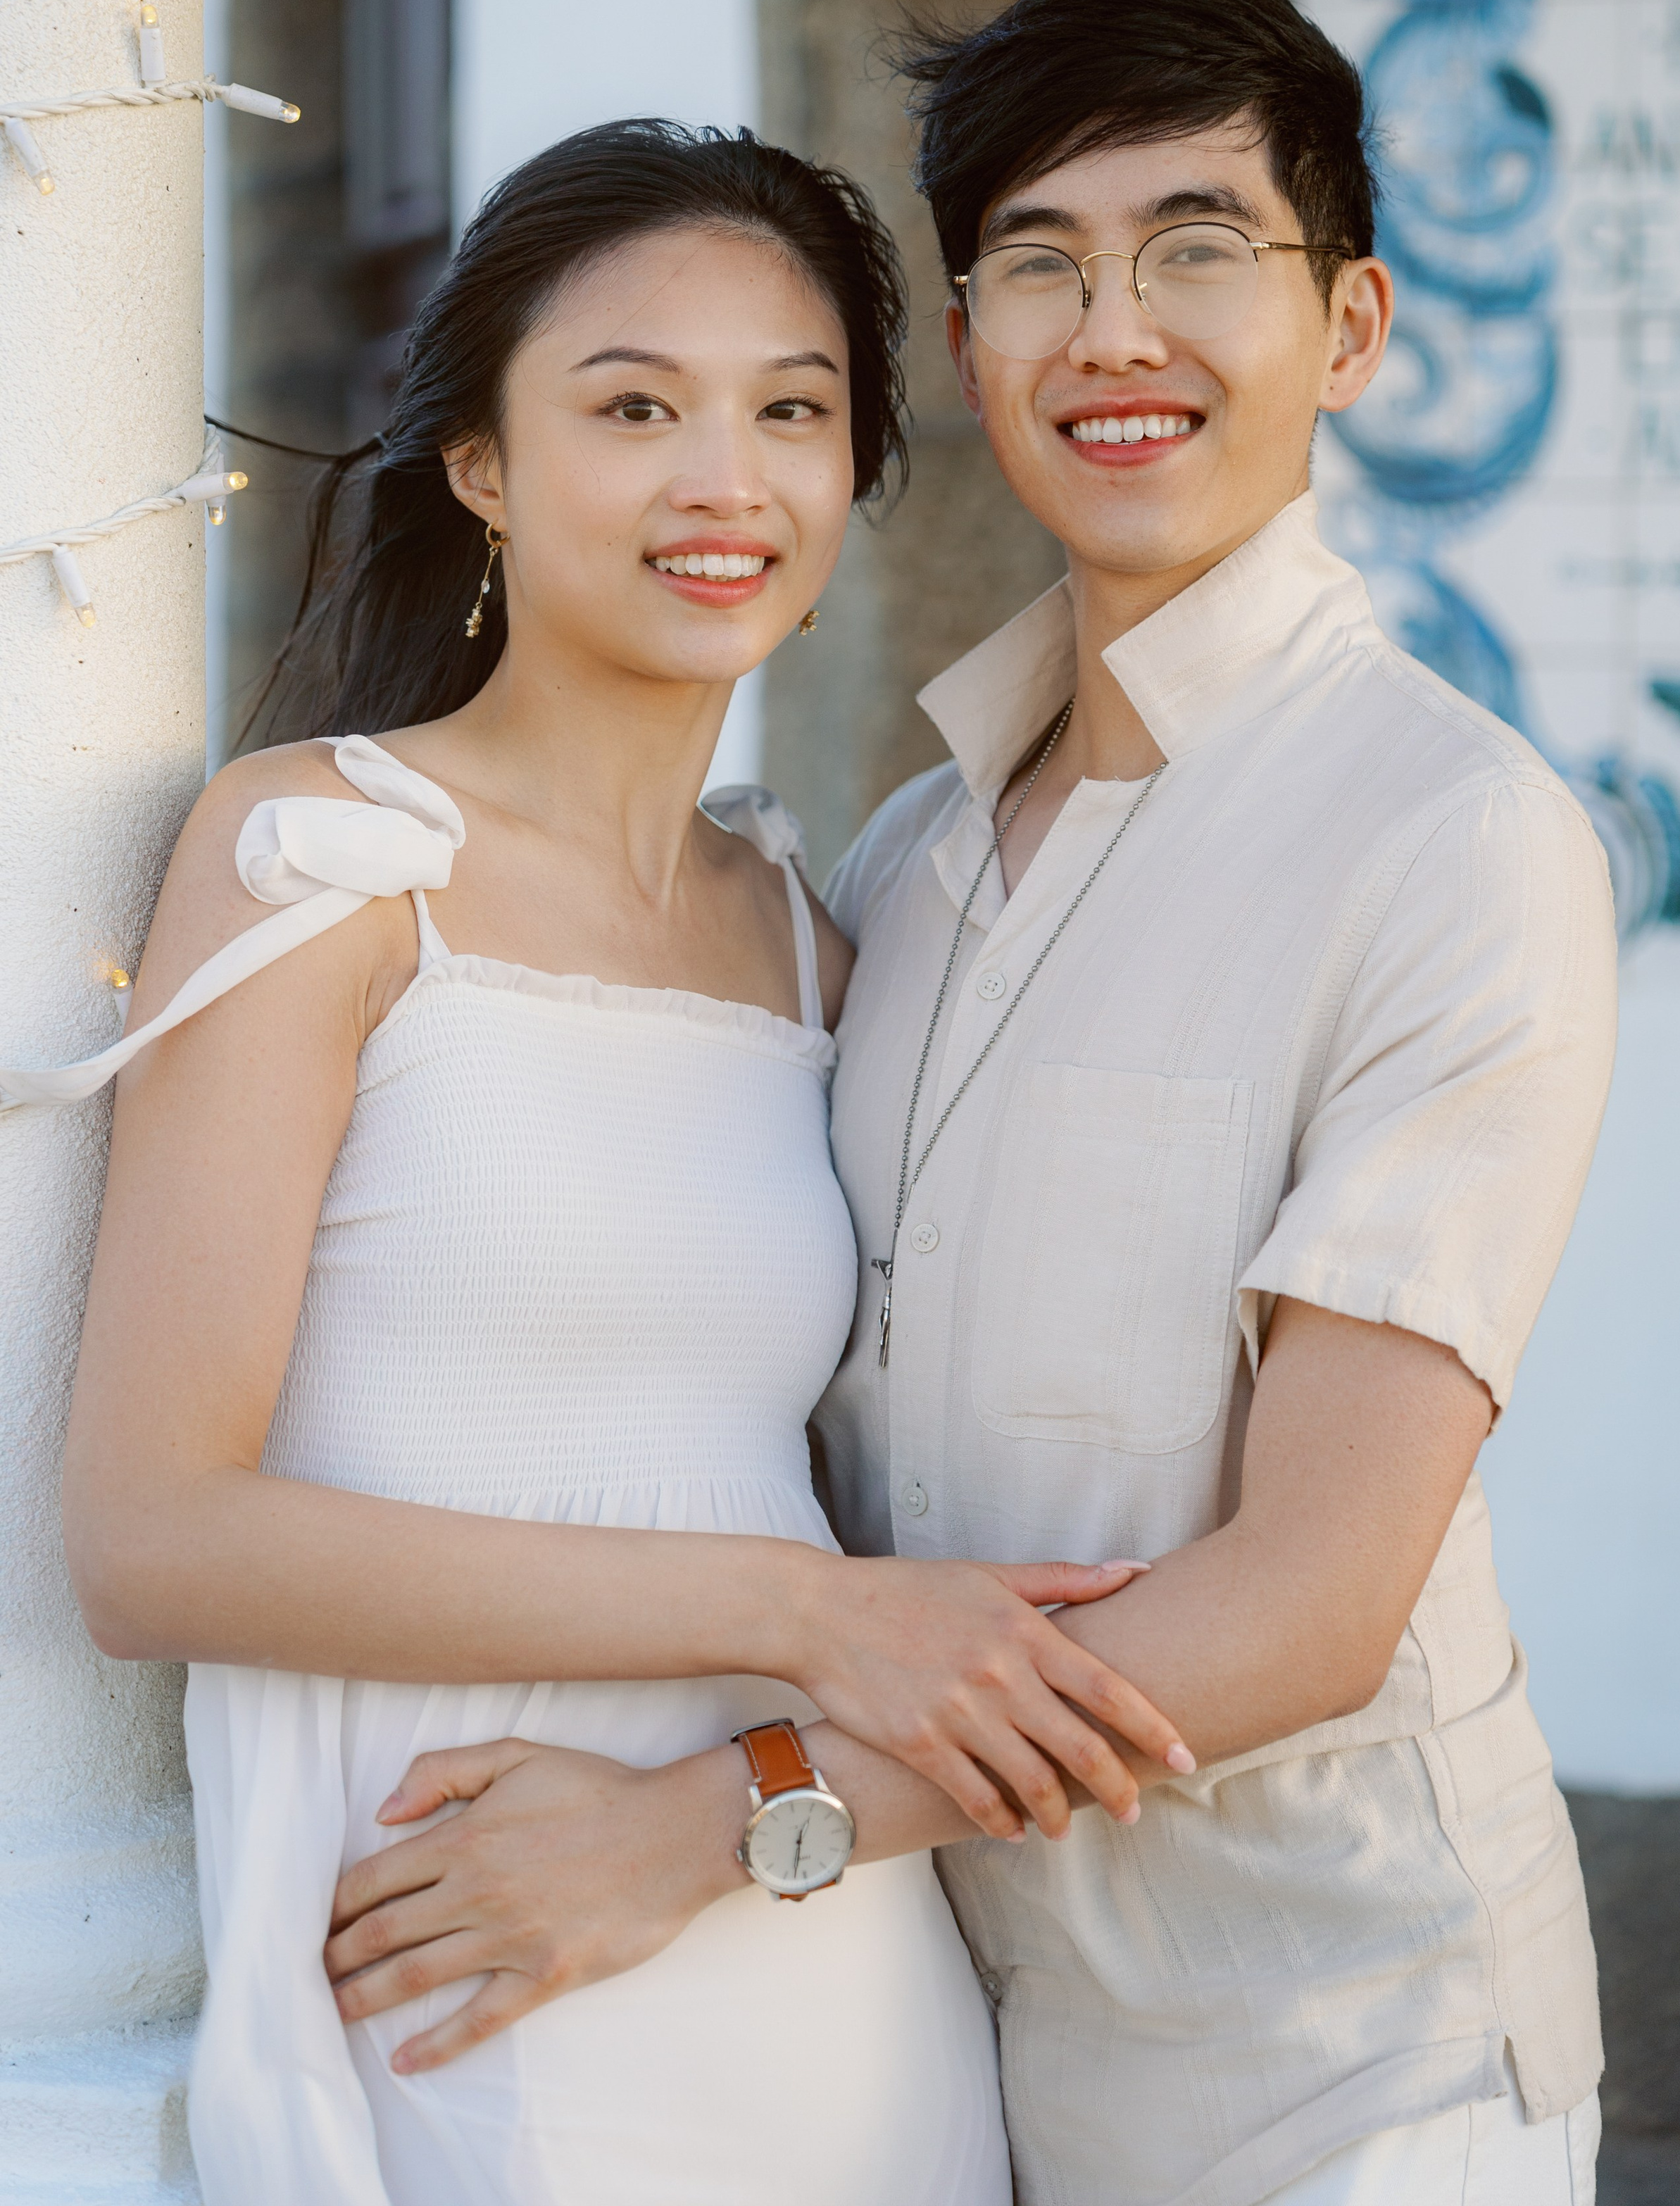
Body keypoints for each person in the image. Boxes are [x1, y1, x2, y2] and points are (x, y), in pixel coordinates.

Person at [326, 0, 1620, 2206]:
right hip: (954, 2061)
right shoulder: (906, 866)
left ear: (1352, 330)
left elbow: (1309, 1606)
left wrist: (706, 1829)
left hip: (1346, 2070)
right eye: (1042, 264)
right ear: (968, 354)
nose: (1116, 329)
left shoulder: (1455, 841)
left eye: (1199, 250)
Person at [42, 120, 1199, 2206]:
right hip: (470, 1932)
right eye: (633, 406)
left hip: (804, 1932)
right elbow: (149, 1537)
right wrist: (809, 1614)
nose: (723, 481)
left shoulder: (800, 926)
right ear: (479, 459)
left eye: (793, 411)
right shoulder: (322, 854)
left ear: (857, 469)